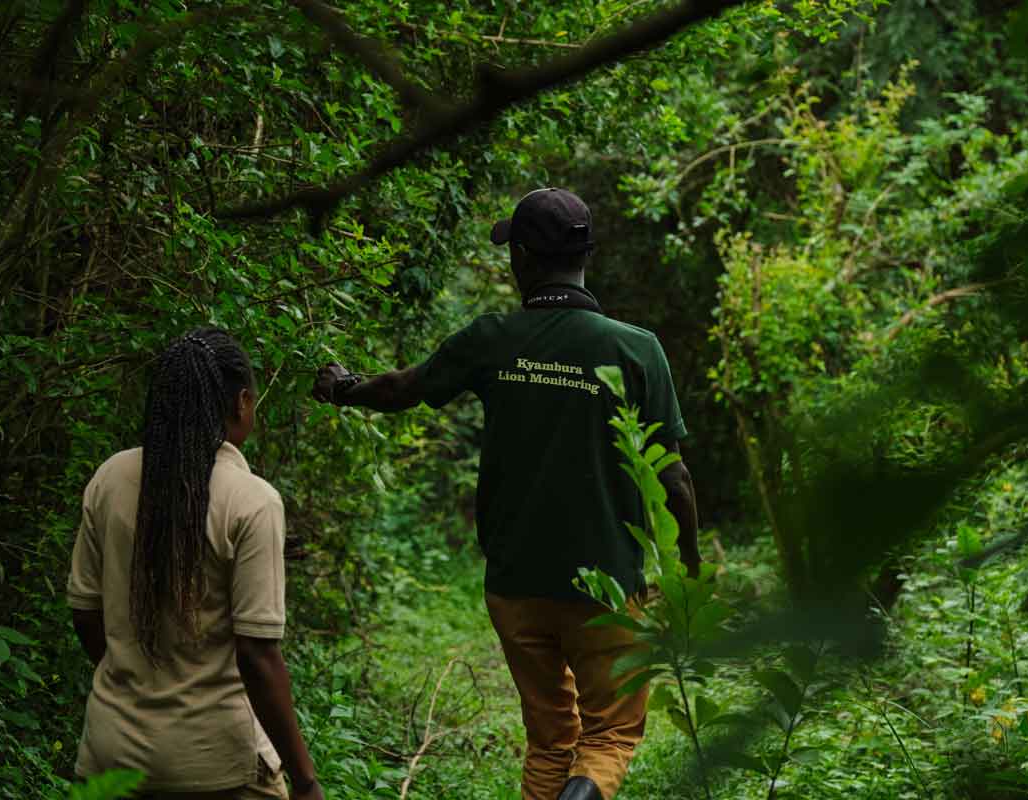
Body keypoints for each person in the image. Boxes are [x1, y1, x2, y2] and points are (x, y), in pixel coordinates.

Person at [311, 188, 700, 800]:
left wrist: (342, 388)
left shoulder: (492, 339)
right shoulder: (636, 349)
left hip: (515, 586)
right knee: (608, 736)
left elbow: (400, 390)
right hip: (607, 586)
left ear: (520, 257)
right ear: (586, 256)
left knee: (550, 738)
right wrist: (688, 572)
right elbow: (673, 477)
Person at [67, 327, 322, 800]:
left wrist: (135, 684)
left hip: (111, 755)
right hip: (214, 764)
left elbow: (85, 611)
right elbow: (258, 656)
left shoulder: (110, 477)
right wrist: (306, 780)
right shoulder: (253, 501)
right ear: (242, 402)